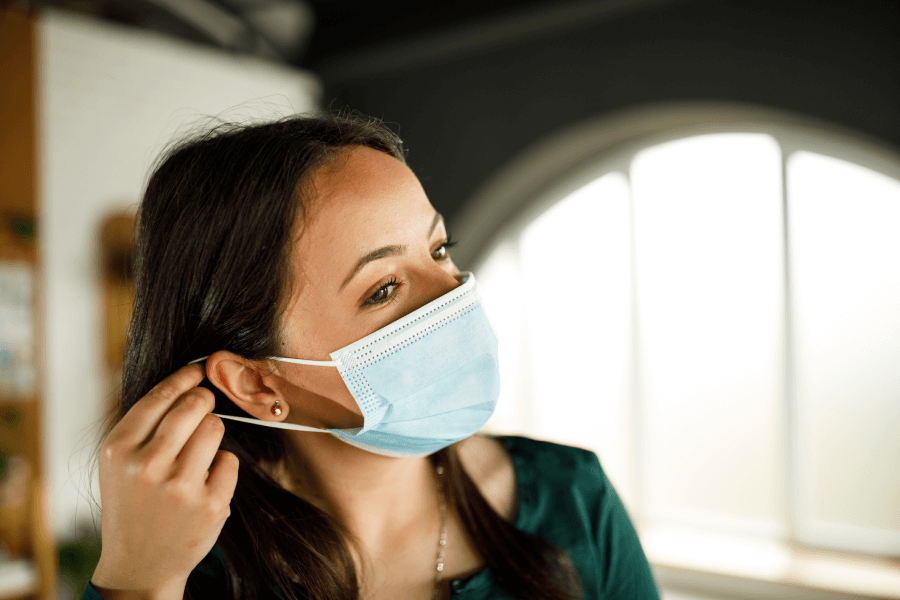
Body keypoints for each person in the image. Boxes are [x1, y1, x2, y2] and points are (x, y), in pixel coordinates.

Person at [84, 113, 660, 600]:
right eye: (383, 289)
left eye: (439, 250)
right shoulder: (188, 568)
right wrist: (138, 584)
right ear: (259, 384)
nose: (454, 300)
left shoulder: (575, 502)